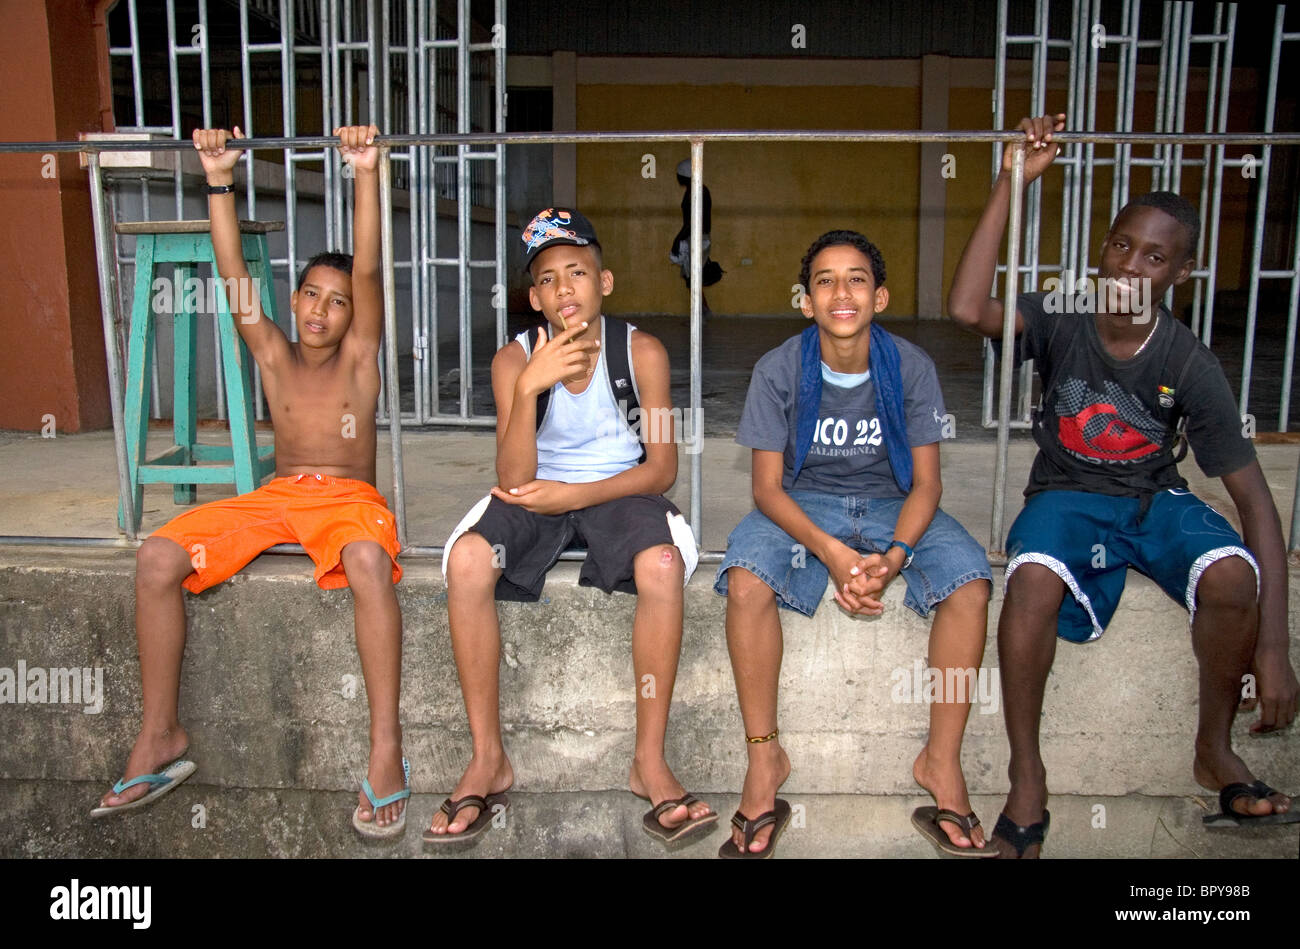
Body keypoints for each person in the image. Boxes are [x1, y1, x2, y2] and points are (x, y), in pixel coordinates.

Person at [948, 113, 1300, 858]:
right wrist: (1011, 179)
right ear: (1101, 248)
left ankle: (1214, 748)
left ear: (1179, 274)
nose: (1131, 267)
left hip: (1150, 497)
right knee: (1032, 583)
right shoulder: (1060, 314)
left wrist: (1275, 645)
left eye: (1155, 257)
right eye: (1121, 246)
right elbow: (966, 309)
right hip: (1065, 495)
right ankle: (1026, 776)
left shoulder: (1190, 361)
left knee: (1234, 572)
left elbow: (1255, 501)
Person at [92, 125, 411, 840]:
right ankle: (160, 734)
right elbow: (233, 274)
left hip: (347, 502)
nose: (321, 310)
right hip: (278, 497)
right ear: (293, 300)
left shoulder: (360, 356)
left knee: (367, 561)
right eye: (309, 296)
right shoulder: (272, 351)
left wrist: (365, 170)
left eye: (336, 301)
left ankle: (385, 746)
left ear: (355, 316)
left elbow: (366, 266)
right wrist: (217, 177)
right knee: (155, 558)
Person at [426, 207, 713, 846]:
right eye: (549, 279)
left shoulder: (642, 352)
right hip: (532, 489)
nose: (565, 289)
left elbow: (661, 468)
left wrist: (576, 494)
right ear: (533, 298)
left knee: (661, 566)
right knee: (469, 562)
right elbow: (511, 471)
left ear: (604, 281)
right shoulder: (512, 360)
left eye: (577, 272)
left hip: (618, 490)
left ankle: (649, 759)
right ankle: (487, 757)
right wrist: (529, 387)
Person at [715, 229, 994, 858]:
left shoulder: (912, 367)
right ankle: (765, 759)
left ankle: (941, 762)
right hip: (802, 501)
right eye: (824, 281)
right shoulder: (780, 368)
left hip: (895, 501)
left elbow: (928, 484)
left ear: (880, 296)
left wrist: (894, 558)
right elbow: (765, 490)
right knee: (745, 579)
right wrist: (831, 552)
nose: (842, 291)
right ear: (806, 301)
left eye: (857, 279)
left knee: (971, 583)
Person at [669, 159, 722, 313]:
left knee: (693, 277)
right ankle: (702, 310)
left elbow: (693, 220)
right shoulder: (696, 190)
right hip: (695, 237)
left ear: (686, 175)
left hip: (697, 238)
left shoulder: (697, 191)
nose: (677, 178)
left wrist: (677, 239)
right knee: (691, 277)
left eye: (679, 175)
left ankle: (701, 313)